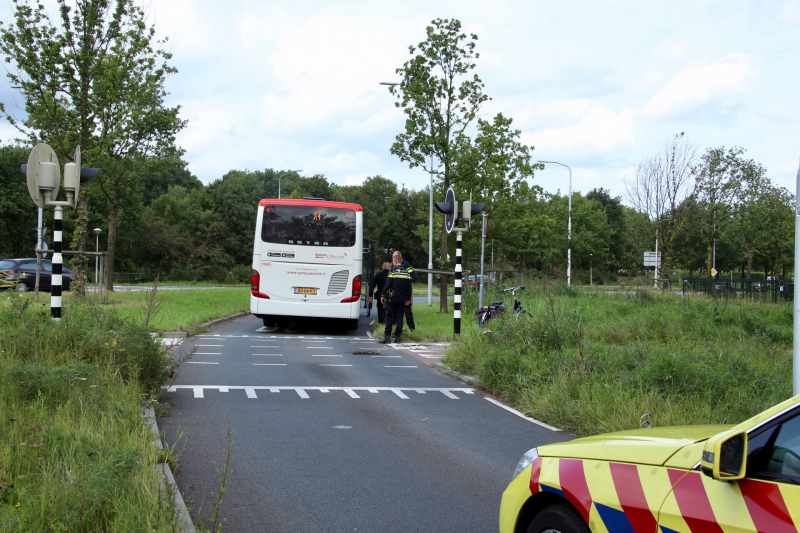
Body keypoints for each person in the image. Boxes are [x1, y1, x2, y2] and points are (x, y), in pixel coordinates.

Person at [380, 254, 414, 343]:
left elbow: (387, 284)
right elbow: (409, 286)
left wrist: (383, 295)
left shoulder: (392, 271)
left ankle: (387, 336)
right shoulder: (406, 272)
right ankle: (398, 337)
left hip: (392, 298)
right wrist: (408, 298)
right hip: (402, 298)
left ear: (395, 262)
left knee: (389, 316)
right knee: (400, 317)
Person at [392, 251, 417, 331]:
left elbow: (414, 277)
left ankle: (411, 328)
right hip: (395, 292)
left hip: (405, 291)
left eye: (396, 257)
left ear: (400, 256)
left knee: (407, 311)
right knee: (394, 311)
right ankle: (396, 327)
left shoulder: (407, 265)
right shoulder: (393, 265)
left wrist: (406, 282)